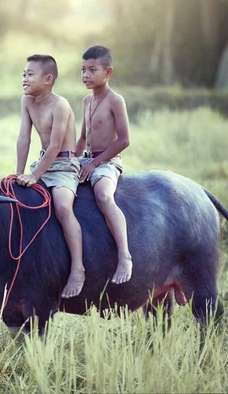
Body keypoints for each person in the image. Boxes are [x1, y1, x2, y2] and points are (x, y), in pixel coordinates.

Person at [16, 54, 85, 298]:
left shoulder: (61, 105)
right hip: (42, 161)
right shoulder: (26, 101)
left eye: (30, 74)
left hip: (65, 165)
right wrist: (19, 172)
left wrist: (34, 175)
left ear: (48, 79)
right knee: (18, 199)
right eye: (24, 73)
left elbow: (55, 146)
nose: (24, 78)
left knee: (63, 208)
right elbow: (25, 138)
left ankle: (77, 268)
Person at [76, 45, 133, 284]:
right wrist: (69, 161)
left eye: (92, 70)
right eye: (83, 70)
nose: (86, 75)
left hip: (107, 162)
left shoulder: (115, 100)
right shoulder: (87, 101)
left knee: (103, 197)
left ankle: (124, 255)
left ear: (107, 72)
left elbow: (124, 140)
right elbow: (81, 138)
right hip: (87, 158)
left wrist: (95, 164)